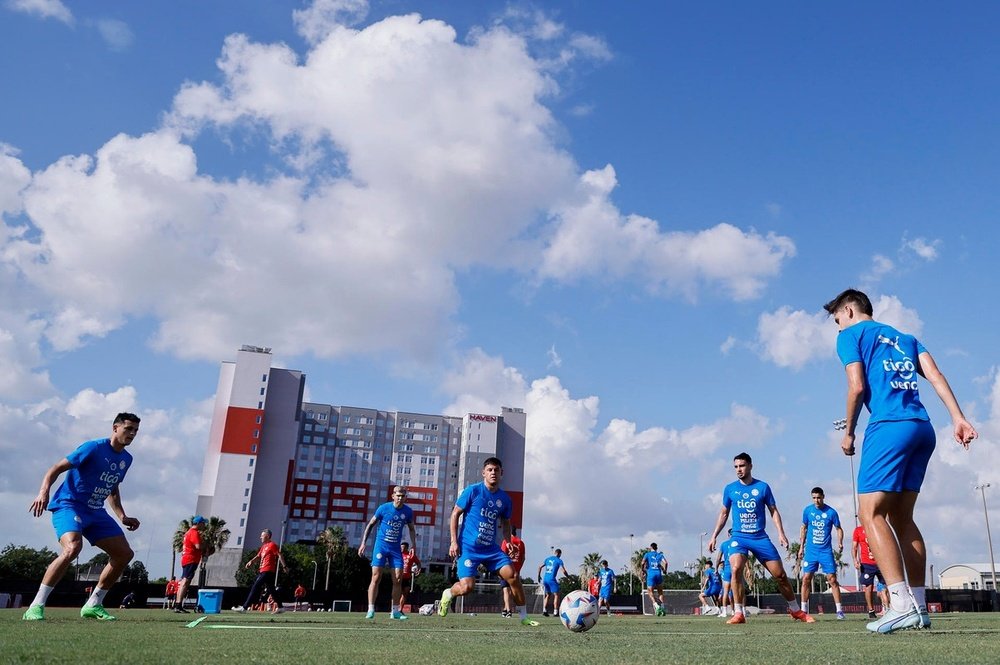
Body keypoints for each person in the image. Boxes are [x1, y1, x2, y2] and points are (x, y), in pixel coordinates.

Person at [825, 288, 977, 633]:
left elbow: (857, 387)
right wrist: (958, 418)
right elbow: (936, 376)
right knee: (902, 517)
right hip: (922, 428)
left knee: (870, 513)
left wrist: (849, 432)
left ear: (849, 311)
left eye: (836, 320)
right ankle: (920, 607)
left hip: (889, 427)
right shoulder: (906, 337)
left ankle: (900, 603)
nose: (836, 328)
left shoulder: (850, 335)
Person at [22, 412, 142, 622]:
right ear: (115, 428)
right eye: (128, 429)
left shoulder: (126, 459)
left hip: (96, 511)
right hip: (69, 505)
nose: (132, 434)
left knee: (124, 554)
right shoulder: (93, 448)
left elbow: (112, 488)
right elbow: (56, 468)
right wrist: (43, 492)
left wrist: (122, 516)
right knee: (72, 548)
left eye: (135, 431)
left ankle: (93, 604)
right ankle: (35, 606)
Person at [708, 452, 814, 625]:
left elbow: (773, 511)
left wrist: (781, 533)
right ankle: (738, 613)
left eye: (741, 466)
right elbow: (724, 513)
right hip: (739, 537)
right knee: (735, 569)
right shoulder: (730, 489)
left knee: (780, 576)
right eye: (735, 467)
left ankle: (795, 610)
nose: (738, 470)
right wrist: (714, 536)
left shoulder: (763, 487)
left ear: (750, 466)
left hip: (759, 537)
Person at [438, 457, 538, 627]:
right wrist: (453, 542)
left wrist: (509, 541)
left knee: (513, 576)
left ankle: (524, 617)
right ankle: (448, 593)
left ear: (501, 473)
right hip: (469, 548)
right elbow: (455, 514)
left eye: (496, 470)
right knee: (466, 587)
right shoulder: (473, 491)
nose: (493, 473)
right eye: (490, 470)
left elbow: (506, 523)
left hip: (491, 550)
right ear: (483, 472)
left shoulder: (505, 499)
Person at [358, 485, 418, 620]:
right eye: (398, 495)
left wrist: (414, 545)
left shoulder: (408, 512)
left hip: (395, 549)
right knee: (376, 577)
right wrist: (363, 543)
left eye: (403, 496)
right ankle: (371, 609)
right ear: (393, 496)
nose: (400, 498)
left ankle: (395, 611)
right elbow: (371, 524)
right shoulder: (383, 508)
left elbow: (412, 529)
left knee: (398, 579)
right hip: (381, 546)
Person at [797, 487, 846, 619]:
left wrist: (840, 542)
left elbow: (839, 528)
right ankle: (804, 610)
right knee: (806, 579)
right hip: (811, 551)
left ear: (823, 497)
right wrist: (801, 547)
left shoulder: (831, 512)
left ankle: (839, 611)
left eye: (818, 497)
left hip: (825, 551)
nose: (816, 500)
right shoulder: (808, 511)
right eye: (814, 498)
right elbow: (804, 528)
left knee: (832, 579)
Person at [234, 529, 287, 612]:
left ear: (267, 536)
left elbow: (279, 555)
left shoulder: (272, 545)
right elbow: (258, 556)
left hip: (267, 570)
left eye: (262, 535)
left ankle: (244, 607)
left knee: (255, 586)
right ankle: (280, 607)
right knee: (272, 590)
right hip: (263, 570)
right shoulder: (263, 547)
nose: (260, 537)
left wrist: (284, 566)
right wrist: (251, 561)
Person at [853, 519, 887, 619]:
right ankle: (871, 610)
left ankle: (887, 609)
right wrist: (855, 560)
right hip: (867, 564)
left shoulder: (878, 526)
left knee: (885, 587)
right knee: (868, 586)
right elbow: (854, 547)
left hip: (881, 562)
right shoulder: (858, 530)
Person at [174, 515, 205, 614]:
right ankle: (178, 604)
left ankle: (178, 604)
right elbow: (198, 546)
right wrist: (206, 545)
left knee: (184, 581)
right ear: (198, 523)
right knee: (185, 581)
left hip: (187, 559)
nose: (204, 525)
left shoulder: (189, 532)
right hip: (190, 559)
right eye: (203, 523)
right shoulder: (194, 533)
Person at [499, 526, 525, 618]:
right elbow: (523, 558)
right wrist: (518, 569)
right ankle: (506, 610)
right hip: (516, 571)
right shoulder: (521, 542)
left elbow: (502, 556)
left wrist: (500, 570)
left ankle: (509, 611)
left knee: (506, 590)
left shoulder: (506, 542)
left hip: (506, 569)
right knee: (512, 591)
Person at [538, 548, 568, 617]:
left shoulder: (547, 559)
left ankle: (544, 611)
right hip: (551, 579)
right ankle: (555, 612)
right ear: (559, 554)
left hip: (545, 579)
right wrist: (568, 577)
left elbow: (540, 567)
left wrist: (539, 576)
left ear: (554, 553)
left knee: (548, 595)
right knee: (556, 595)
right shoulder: (559, 560)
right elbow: (563, 571)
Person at [641, 543, 668, 616]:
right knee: (660, 592)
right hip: (658, 574)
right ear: (656, 548)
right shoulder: (660, 555)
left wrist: (643, 570)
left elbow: (642, 563)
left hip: (651, 574)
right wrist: (665, 570)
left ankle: (655, 605)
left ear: (650, 547)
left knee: (649, 591)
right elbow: (666, 563)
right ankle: (662, 608)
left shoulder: (647, 554)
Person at [714, 531, 736, 618]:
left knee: (725, 591)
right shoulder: (739, 542)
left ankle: (724, 612)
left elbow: (718, 557)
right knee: (738, 590)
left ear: (728, 535)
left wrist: (716, 568)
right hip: (735, 568)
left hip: (727, 569)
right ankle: (738, 611)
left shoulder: (724, 544)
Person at [399, 541, 421, 613]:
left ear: (407, 548)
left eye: (403, 547)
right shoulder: (398, 555)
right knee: (396, 593)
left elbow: (418, 563)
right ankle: (394, 609)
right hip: (399, 577)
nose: (402, 549)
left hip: (407, 577)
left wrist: (419, 569)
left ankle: (400, 610)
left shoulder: (411, 555)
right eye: (401, 547)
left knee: (405, 593)